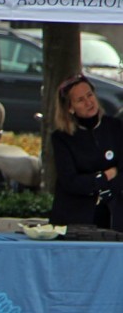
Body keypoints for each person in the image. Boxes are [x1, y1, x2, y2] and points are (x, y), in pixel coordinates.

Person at [50, 73, 123, 231]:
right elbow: (70, 181)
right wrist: (105, 176)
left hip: (114, 217)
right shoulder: (62, 138)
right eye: (80, 100)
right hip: (76, 218)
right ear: (70, 108)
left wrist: (95, 181)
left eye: (89, 95)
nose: (88, 102)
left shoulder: (115, 127)